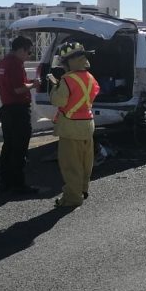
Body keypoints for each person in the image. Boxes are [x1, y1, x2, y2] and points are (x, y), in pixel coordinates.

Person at [49, 41, 100, 208]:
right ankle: (83, 189)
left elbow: (59, 100)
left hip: (71, 128)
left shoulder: (67, 80)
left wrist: (55, 86)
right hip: (88, 125)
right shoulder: (91, 78)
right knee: (86, 161)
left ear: (68, 61)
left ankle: (72, 198)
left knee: (71, 164)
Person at [0, 36, 40, 196]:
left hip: (7, 109)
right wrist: (33, 85)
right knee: (19, 149)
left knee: (8, 147)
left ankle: (5, 182)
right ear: (21, 49)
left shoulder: (3, 63)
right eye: (28, 52)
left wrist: (29, 82)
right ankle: (18, 183)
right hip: (18, 110)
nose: (29, 55)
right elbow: (18, 89)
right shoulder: (14, 64)